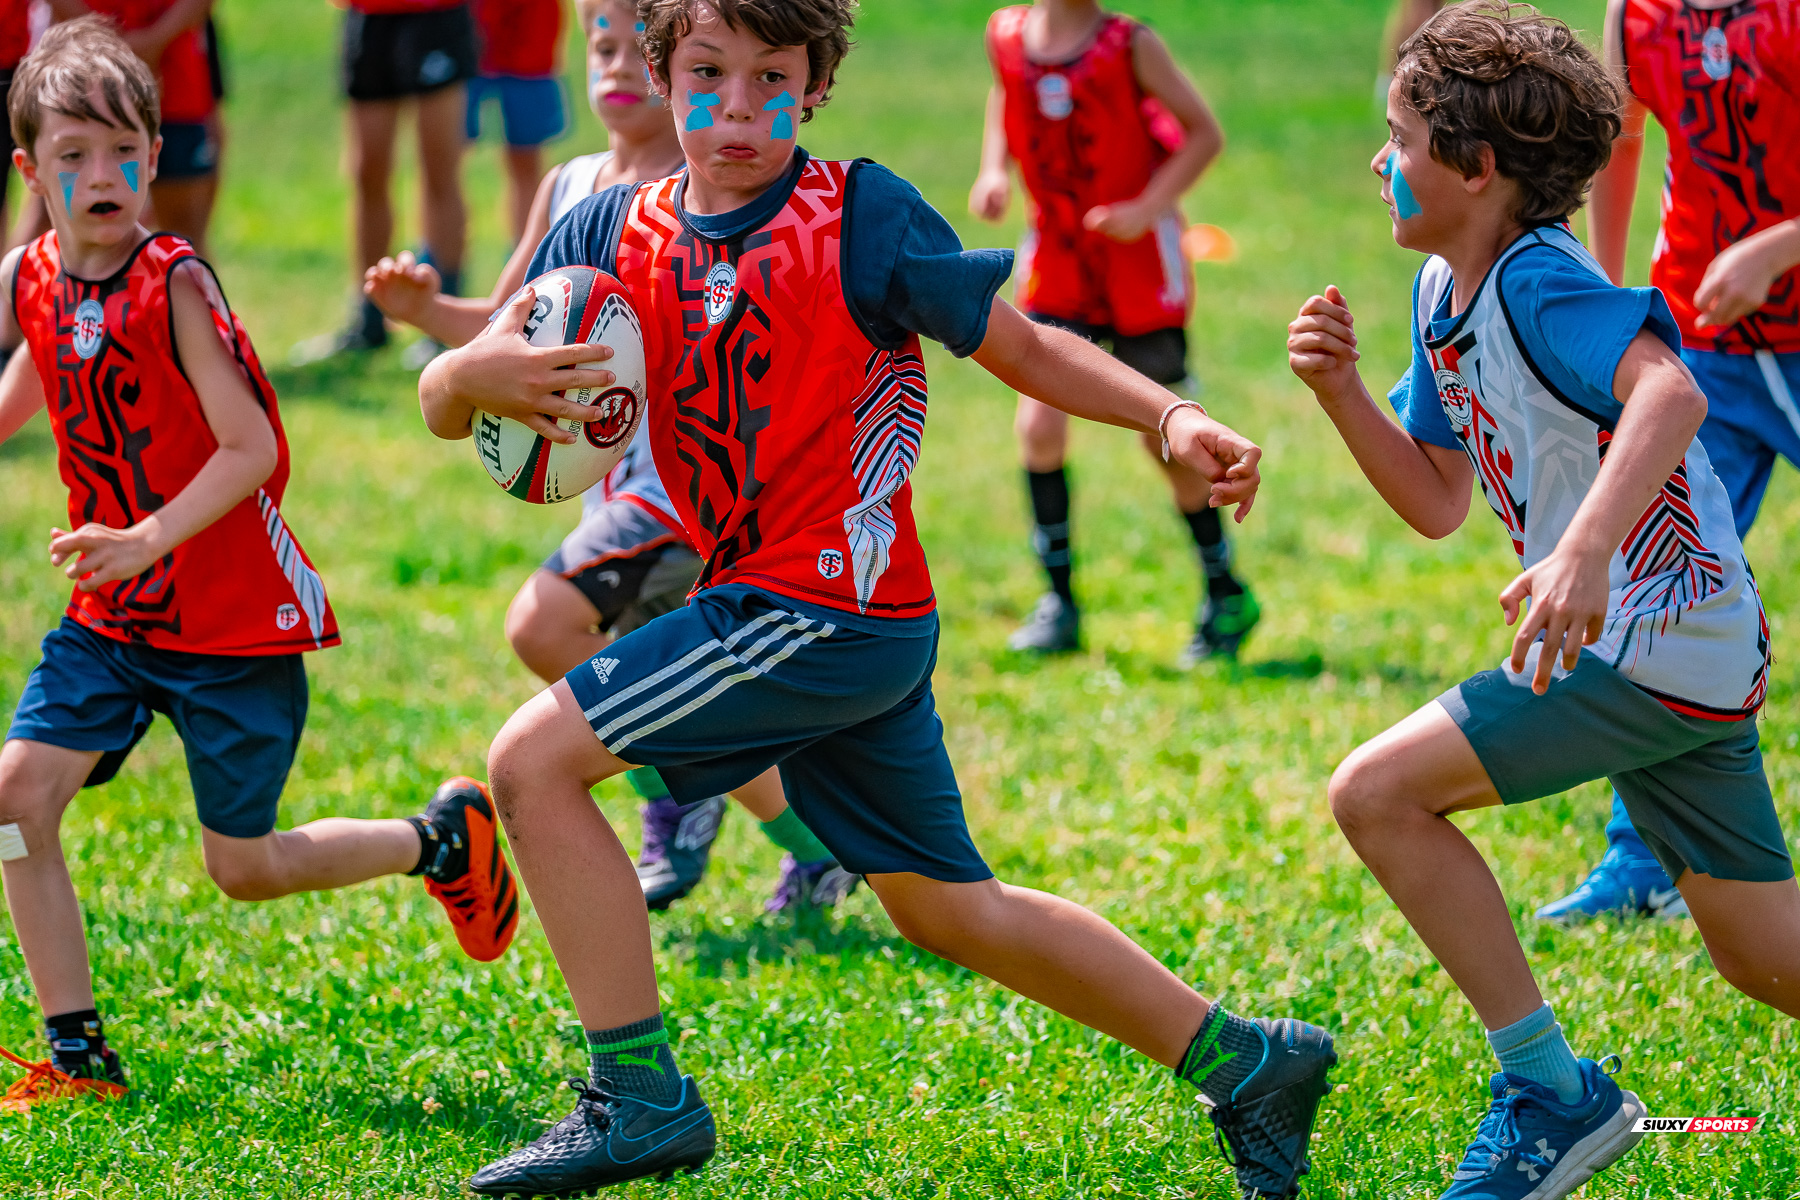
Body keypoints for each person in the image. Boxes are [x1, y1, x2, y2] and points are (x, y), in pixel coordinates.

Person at [422, 2, 1338, 1195]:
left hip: (821, 609)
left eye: (773, 78)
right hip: (830, 622)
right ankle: (1248, 1061)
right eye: (707, 74)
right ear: (661, 74)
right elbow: (470, 406)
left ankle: (636, 1098)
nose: (738, 107)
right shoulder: (605, 229)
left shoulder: (857, 215)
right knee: (951, 910)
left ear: (815, 87)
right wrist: (458, 367)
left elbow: (1019, 345)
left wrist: (1169, 412)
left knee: (532, 767)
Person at [1290, 6, 1800, 1198]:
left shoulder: (1538, 281)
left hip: (1644, 643)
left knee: (1376, 794)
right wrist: (1343, 395)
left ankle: (1551, 1095)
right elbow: (1434, 501)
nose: (1381, 160)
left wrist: (1577, 556)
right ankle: (1554, 1095)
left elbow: (1669, 393)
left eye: (1401, 139)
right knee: (1766, 964)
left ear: (1476, 170)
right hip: (1685, 653)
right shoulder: (1442, 288)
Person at [0, 18, 519, 1109]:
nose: (104, 177)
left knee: (243, 868)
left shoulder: (173, 282)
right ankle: (80, 1056)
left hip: (228, 618)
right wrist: (124, 555)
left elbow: (254, 450)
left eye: (124, 153)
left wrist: (144, 535)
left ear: (154, 154)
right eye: (73, 156)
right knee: (14, 801)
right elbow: (23, 397)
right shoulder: (29, 279)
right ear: (30, 170)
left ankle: (436, 837)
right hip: (113, 616)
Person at [366, 0, 858, 915]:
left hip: (679, 494)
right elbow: (508, 325)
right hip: (610, 498)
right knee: (672, 701)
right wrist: (426, 317)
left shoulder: (704, 181)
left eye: (642, 50)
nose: (621, 67)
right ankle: (814, 843)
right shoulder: (568, 185)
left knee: (542, 627)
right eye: (602, 46)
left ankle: (682, 799)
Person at [1534, 0, 1800, 924]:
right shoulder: (1635, 13)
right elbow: (1619, 139)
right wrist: (1606, 291)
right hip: (1706, 344)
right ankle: (1642, 862)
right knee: (1660, 588)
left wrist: (1782, 245)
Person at [969, 0, 1257, 662]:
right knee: (1037, 427)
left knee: (1168, 440)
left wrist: (1148, 208)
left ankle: (1225, 591)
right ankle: (1059, 604)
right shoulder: (1006, 34)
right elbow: (1003, 97)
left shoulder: (1129, 44)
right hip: (1058, 259)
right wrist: (994, 169)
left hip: (1137, 265)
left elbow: (1203, 133)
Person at [292, 0, 475, 362]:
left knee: (439, 169)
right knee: (367, 172)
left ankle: (444, 322)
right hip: (369, 15)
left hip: (434, 13)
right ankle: (369, 320)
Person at [49, 0, 224, 254]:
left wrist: (155, 39)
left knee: (184, 237)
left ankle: (187, 292)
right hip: (85, 79)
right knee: (79, 233)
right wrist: (113, 43)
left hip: (175, 79)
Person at [466, 0, 566, 246]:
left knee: (525, 160)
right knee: (442, 157)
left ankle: (528, 261)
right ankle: (436, 261)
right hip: (464, 27)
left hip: (529, 32)